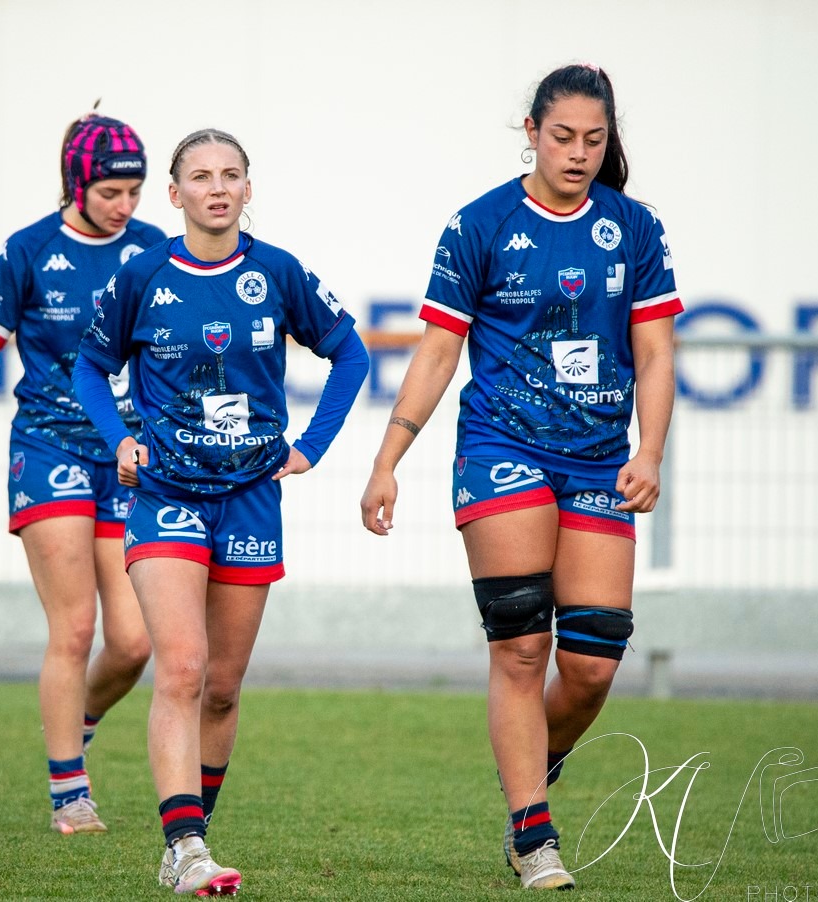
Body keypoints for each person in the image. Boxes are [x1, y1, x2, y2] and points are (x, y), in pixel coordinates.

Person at [359, 64, 682, 891]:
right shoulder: (480, 225)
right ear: (531, 132)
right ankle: (532, 833)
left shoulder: (635, 229)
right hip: (502, 447)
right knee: (521, 644)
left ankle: (536, 766)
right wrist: (387, 459)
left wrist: (647, 452)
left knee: (592, 664)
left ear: (609, 142)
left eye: (593, 139)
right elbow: (436, 353)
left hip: (598, 459)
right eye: (562, 136)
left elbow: (653, 352)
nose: (577, 153)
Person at [74, 127, 369, 896]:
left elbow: (350, 352)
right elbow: (87, 365)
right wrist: (118, 439)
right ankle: (186, 847)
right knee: (179, 665)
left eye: (230, 175)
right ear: (173, 195)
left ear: (246, 189)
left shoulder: (276, 271)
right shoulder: (140, 274)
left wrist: (311, 445)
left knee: (225, 684)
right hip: (166, 496)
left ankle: (189, 838)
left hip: (249, 496)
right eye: (199, 176)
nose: (216, 188)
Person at [0, 112, 165, 835]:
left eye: (134, 191)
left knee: (133, 642)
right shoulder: (29, 250)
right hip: (48, 450)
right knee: (73, 628)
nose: (124, 205)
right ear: (76, 182)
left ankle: (76, 721)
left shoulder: (153, 250)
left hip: (128, 460)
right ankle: (69, 792)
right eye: (110, 190)